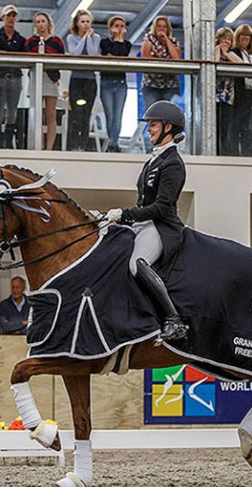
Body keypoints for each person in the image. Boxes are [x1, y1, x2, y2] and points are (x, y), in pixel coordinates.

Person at [105, 101, 187, 341]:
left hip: (161, 227)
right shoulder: (153, 160)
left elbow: (161, 207)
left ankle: (173, 320)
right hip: (142, 223)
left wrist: (124, 214)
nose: (148, 129)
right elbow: (143, 201)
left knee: (137, 263)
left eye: (153, 125)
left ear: (168, 127)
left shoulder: (173, 163)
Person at [25, 12, 65, 151]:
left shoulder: (57, 41)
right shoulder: (31, 41)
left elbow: (61, 59)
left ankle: (49, 147)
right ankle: (38, 146)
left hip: (50, 78)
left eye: (42, 21)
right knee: (37, 115)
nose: (40, 24)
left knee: (50, 115)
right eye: (37, 22)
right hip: (36, 77)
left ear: (48, 23)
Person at [66, 9, 101, 152]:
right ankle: (73, 145)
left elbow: (92, 53)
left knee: (86, 113)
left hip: (90, 80)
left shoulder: (96, 37)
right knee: (76, 113)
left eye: (88, 21)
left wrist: (89, 38)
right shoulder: (71, 38)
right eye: (83, 22)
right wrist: (84, 38)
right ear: (77, 23)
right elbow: (75, 53)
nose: (86, 24)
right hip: (76, 79)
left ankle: (84, 145)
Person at [0, 4, 26, 149]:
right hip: (0, 76)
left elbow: (23, 57)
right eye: (8, 16)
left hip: (15, 77)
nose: (11, 19)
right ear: (3, 18)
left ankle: (9, 141)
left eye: (13, 16)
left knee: (12, 111)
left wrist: (1, 52)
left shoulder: (20, 38)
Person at [100, 15, 132, 153]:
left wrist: (120, 40)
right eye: (116, 26)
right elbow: (112, 55)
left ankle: (113, 143)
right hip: (106, 82)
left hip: (121, 83)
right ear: (111, 28)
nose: (119, 29)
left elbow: (121, 55)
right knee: (110, 116)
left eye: (121, 26)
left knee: (118, 115)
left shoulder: (127, 44)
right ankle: (112, 142)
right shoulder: (104, 42)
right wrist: (117, 40)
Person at [231, 24, 252, 157]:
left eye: (248, 36)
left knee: (249, 129)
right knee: (236, 127)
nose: (245, 38)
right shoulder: (234, 52)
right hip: (240, 96)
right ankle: (235, 155)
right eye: (242, 35)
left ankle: (248, 155)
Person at [141, 16, 182, 109]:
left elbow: (177, 60)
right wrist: (167, 62)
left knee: (168, 114)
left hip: (171, 85)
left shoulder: (174, 41)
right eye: (159, 26)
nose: (161, 29)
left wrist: (167, 40)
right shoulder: (148, 39)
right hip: (151, 84)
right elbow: (146, 59)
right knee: (153, 113)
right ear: (155, 27)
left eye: (164, 26)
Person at [214, 27, 237, 156]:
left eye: (229, 39)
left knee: (226, 127)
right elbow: (214, 64)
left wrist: (227, 54)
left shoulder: (231, 54)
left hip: (228, 97)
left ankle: (224, 152)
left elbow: (241, 64)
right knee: (216, 127)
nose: (226, 41)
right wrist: (219, 50)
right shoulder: (214, 51)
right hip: (215, 96)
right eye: (224, 38)